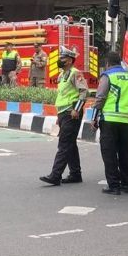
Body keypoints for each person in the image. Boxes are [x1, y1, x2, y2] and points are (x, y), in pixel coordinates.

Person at [91, 51, 128, 195]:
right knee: (125, 153)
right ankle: (126, 184)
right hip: (125, 121)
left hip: (110, 121)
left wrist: (94, 118)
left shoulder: (107, 76)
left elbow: (100, 98)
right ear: (120, 62)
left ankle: (114, 186)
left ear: (107, 63)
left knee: (109, 153)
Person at [40, 47, 88, 186]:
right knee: (70, 144)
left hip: (71, 113)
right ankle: (75, 174)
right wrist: (58, 115)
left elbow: (84, 92)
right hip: (63, 113)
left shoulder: (75, 73)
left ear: (70, 60)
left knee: (64, 144)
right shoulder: (62, 75)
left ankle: (55, 175)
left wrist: (77, 109)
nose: (60, 60)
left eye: (63, 58)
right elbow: (62, 96)